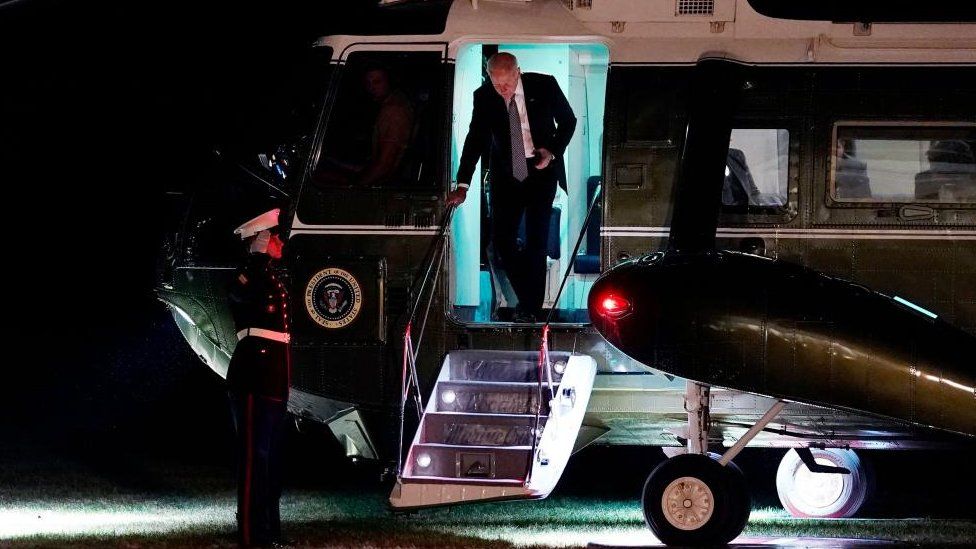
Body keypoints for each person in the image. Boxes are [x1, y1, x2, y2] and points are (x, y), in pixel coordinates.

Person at [447, 52, 576, 322]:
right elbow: (475, 140)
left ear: (517, 72)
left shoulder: (544, 85)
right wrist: (463, 183)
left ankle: (530, 308)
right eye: (497, 85)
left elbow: (568, 121)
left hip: (540, 170)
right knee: (502, 242)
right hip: (507, 175)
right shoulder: (484, 97)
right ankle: (528, 299)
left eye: (506, 84)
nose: (503, 90)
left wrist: (551, 151)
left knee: (536, 241)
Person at [227, 208, 291, 547]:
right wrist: (254, 260)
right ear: (261, 239)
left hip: (273, 376)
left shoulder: (273, 277)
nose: (280, 240)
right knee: (255, 457)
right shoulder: (248, 275)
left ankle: (270, 531)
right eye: (274, 236)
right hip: (253, 374)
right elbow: (238, 295)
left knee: (272, 457)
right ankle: (252, 536)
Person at [313, 64, 414, 187]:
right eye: (368, 83)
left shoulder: (394, 111)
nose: (371, 88)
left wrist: (354, 187)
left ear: (389, 81)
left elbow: (384, 166)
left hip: (383, 185)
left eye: (377, 82)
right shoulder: (393, 101)